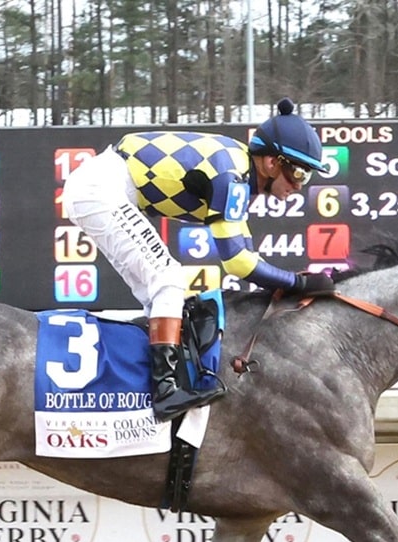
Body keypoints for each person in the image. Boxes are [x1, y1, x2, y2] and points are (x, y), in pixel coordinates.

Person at [62, 97, 336, 423]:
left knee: (160, 291)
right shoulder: (233, 177)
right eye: (299, 173)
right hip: (101, 188)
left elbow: (245, 249)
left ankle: (153, 380)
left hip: (101, 185)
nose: (299, 186)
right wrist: (298, 283)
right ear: (273, 163)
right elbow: (237, 262)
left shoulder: (241, 170)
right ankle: (165, 391)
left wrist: (291, 281)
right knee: (167, 279)